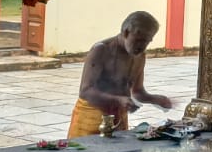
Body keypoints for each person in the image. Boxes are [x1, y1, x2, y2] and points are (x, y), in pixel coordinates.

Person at [68, 11, 172, 139]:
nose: (142, 46)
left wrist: (156, 99)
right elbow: (85, 91)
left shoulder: (140, 56)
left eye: (147, 41)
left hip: (119, 119)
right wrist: (118, 100)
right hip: (92, 116)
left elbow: (138, 92)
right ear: (126, 32)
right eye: (139, 40)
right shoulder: (101, 50)